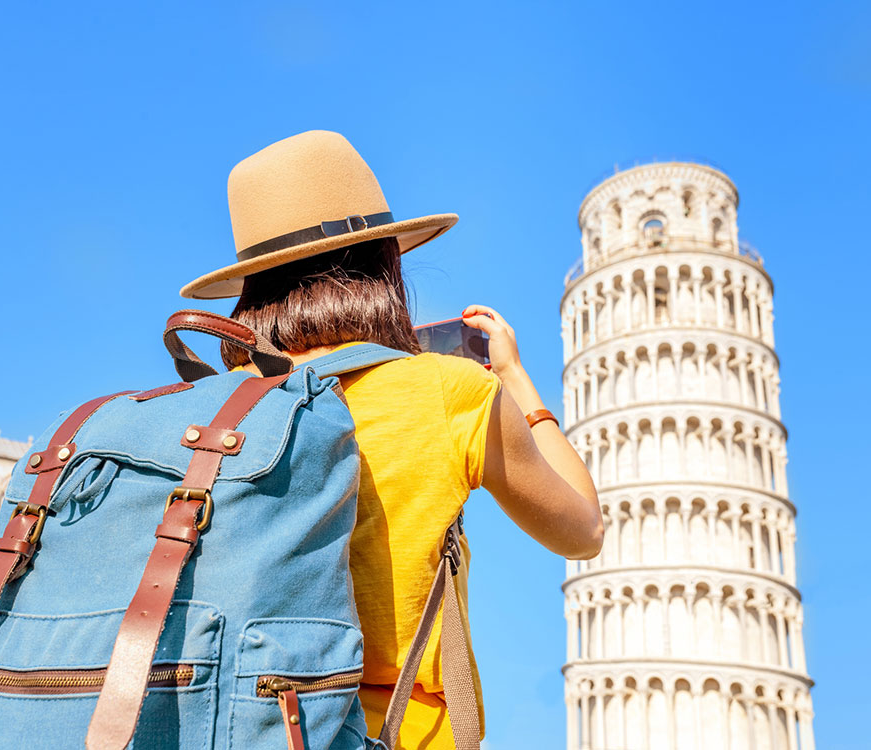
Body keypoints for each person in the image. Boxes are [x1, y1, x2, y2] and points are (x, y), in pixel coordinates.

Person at [180, 131, 602, 748]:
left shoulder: (207, 411)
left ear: (251, 288)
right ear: (384, 266)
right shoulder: (445, 389)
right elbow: (583, 530)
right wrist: (518, 384)